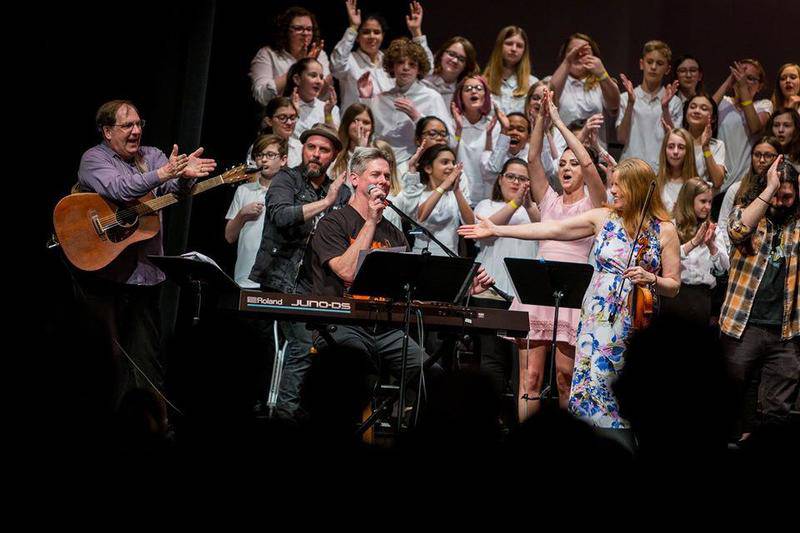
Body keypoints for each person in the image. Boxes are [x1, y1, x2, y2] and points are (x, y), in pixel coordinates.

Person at [460, 158, 681, 439]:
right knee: (589, 389)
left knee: (623, 392)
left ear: (636, 188)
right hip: (594, 320)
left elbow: (673, 285)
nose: (612, 191)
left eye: (618, 186)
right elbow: (552, 229)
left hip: (633, 320)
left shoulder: (665, 230)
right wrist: (498, 229)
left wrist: (652, 279)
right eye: (611, 185)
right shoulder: (603, 218)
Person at [308, 147, 494, 428]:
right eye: (375, 175)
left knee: (433, 377)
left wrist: (465, 291)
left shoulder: (394, 233)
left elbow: (413, 291)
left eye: (386, 175)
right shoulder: (333, 222)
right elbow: (347, 271)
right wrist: (370, 221)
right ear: (355, 180)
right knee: (357, 371)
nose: (383, 180)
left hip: (384, 327)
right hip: (342, 323)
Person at [74, 99, 217, 410]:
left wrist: (184, 178)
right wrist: (164, 174)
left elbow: (172, 193)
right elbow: (119, 190)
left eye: (139, 124)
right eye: (128, 125)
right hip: (105, 274)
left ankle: (152, 426)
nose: (136, 131)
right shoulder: (94, 158)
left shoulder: (152, 156)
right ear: (107, 131)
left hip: (145, 275)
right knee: (107, 358)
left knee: (146, 358)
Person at [509, 90, 607, 418]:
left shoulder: (594, 202)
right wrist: (541, 117)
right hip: (537, 291)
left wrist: (562, 124)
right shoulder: (548, 200)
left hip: (572, 295)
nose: (566, 168)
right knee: (531, 377)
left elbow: (592, 165)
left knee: (566, 378)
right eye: (562, 163)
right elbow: (534, 158)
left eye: (573, 163)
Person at [249, 123, 350, 423]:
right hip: (279, 277)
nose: (316, 155)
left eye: (324, 150)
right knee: (296, 346)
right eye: (311, 148)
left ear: (333, 157)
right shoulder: (287, 179)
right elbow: (281, 215)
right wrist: (326, 203)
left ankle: (302, 412)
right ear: (302, 150)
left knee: (323, 347)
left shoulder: (341, 191)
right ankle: (282, 415)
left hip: (317, 284)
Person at [721, 154, 799, 437]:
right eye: (776, 195)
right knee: (729, 398)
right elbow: (736, 230)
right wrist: (769, 189)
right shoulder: (750, 212)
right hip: (743, 325)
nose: (780, 202)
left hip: (786, 332)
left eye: (787, 197)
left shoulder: (797, 225)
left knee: (777, 410)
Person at [357, 37, 451, 172]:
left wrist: (417, 117)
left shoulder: (431, 97)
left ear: (419, 69)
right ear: (392, 66)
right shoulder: (381, 99)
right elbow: (368, 133)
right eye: (400, 62)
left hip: (416, 166)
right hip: (380, 165)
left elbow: (448, 139)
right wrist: (365, 100)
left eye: (412, 64)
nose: (406, 68)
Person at [332, 0, 435, 114]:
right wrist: (353, 27)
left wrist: (416, 32)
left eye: (376, 32)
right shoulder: (349, 60)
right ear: (357, 36)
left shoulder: (391, 61)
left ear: (382, 36)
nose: (372, 36)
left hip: (387, 123)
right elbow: (336, 66)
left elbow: (427, 70)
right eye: (366, 32)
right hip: (357, 123)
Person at [660, 178, 729, 327]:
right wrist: (694, 243)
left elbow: (724, 267)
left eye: (710, 202)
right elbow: (664, 259)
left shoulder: (714, 229)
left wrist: (712, 246)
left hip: (701, 297)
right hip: (676, 295)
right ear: (689, 200)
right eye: (703, 201)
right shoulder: (671, 226)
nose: (708, 207)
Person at [226, 135, 287, 288]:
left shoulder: (290, 193)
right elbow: (229, 236)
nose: (264, 160)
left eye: (270, 155)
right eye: (259, 155)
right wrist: (242, 215)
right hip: (244, 278)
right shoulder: (243, 190)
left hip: (277, 282)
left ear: (283, 160)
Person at [472, 158, 540, 296]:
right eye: (510, 176)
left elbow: (545, 229)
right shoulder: (485, 205)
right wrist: (515, 203)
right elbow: (486, 231)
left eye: (522, 179)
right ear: (500, 179)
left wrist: (528, 205)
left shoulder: (535, 208)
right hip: (488, 284)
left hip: (525, 287)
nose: (516, 182)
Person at [616, 40, 683, 173]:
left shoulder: (674, 102)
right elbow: (621, 138)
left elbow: (675, 141)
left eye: (659, 63)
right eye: (649, 62)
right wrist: (630, 103)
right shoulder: (626, 98)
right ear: (642, 64)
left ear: (667, 69)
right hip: (629, 170)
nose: (653, 67)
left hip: (660, 171)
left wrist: (665, 108)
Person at [249, 6, 331, 107]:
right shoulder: (268, 54)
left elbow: (324, 96)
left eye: (309, 29)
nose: (305, 33)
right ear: (285, 31)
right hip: (280, 118)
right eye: (298, 29)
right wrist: (300, 65)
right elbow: (262, 96)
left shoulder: (319, 54)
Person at [550, 33, 620, 150]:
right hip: (563, 152)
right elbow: (550, 96)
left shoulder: (601, 83)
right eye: (574, 51)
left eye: (585, 52)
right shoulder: (554, 81)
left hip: (596, 153)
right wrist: (568, 61)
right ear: (564, 55)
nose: (579, 55)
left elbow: (614, 105)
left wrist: (602, 74)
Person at [713, 59, 773, 190]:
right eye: (740, 77)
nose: (744, 81)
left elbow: (755, 127)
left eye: (750, 78)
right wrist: (729, 81)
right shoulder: (724, 102)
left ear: (760, 85)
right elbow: (707, 111)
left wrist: (743, 87)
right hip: (719, 178)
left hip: (744, 182)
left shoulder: (763, 105)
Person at [717, 137, 782, 252]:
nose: (762, 160)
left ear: (779, 159)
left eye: (768, 155)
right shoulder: (736, 188)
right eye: (757, 155)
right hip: (737, 251)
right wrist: (727, 253)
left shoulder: (782, 190)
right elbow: (722, 224)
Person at [412, 144, 473, 256]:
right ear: (428, 168)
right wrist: (444, 185)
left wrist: (457, 191)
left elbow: (470, 224)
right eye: (445, 162)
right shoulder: (418, 192)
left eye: (453, 163)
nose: (451, 167)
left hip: (450, 256)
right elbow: (420, 218)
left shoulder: (454, 194)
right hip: (421, 256)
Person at [450, 75, 497, 206]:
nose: (473, 91)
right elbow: (449, 157)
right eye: (468, 88)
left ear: (486, 95)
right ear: (460, 96)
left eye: (478, 88)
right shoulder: (452, 124)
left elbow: (494, 165)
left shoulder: (493, 125)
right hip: (457, 194)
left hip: (486, 196)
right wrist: (458, 130)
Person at [483, 26, 539, 114]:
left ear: (524, 51)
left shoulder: (532, 84)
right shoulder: (483, 82)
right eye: (509, 44)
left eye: (519, 46)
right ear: (499, 46)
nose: (513, 49)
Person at [282, 58, 340, 141]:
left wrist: (328, 114)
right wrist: (295, 113)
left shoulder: (331, 108)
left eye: (321, 77)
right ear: (297, 79)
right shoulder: (282, 106)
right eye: (313, 75)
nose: (319, 81)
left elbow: (335, 141)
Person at [682, 92, 726, 188]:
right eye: (692, 107)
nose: (696, 111)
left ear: (713, 118)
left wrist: (705, 148)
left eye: (704, 109)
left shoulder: (717, 145)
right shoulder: (679, 141)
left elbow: (718, 181)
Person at [248, 97, 302, 168]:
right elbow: (253, 175)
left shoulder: (300, 147)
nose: (289, 122)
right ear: (269, 121)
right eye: (282, 118)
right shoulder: (259, 147)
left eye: (292, 118)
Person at [423, 36, 479, 103]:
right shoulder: (424, 76)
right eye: (451, 54)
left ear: (466, 66)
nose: (455, 60)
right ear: (442, 54)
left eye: (461, 59)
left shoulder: (463, 95)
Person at [654, 127, 698, 212]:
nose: (675, 151)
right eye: (671, 147)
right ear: (664, 150)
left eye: (681, 147)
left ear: (688, 151)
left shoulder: (697, 186)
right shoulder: (654, 184)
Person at [330, 103, 375, 178]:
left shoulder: (378, 155)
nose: (360, 126)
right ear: (347, 124)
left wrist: (362, 149)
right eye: (355, 121)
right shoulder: (335, 155)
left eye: (366, 122)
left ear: (372, 127)